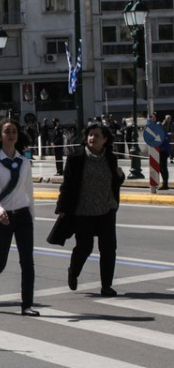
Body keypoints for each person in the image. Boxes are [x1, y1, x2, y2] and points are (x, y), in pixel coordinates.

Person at [0, 120, 40, 317]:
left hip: (22, 216)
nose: (12, 135)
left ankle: (27, 305)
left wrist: (31, 214)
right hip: (2, 217)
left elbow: (29, 190)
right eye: (7, 132)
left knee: (27, 262)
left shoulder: (24, 162)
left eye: (14, 131)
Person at [57, 122, 126, 297]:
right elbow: (67, 184)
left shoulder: (110, 157)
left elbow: (114, 182)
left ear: (105, 139)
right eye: (90, 134)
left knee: (109, 249)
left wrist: (120, 177)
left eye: (97, 135)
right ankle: (73, 271)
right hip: (83, 211)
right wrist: (62, 207)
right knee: (84, 247)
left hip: (106, 209)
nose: (92, 138)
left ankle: (106, 286)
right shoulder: (76, 157)